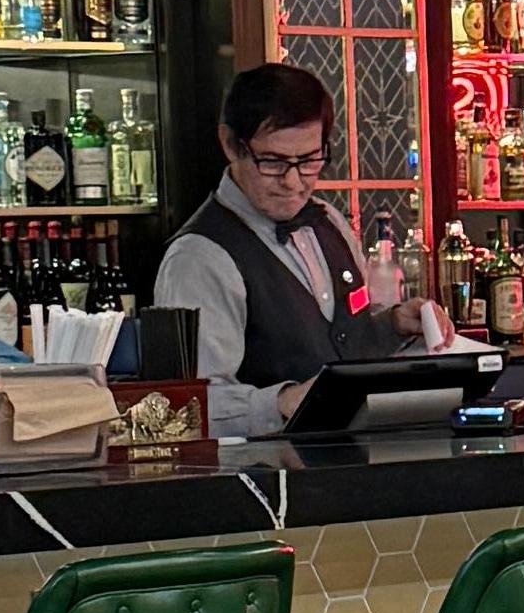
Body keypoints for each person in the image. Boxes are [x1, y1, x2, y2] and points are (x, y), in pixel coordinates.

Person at [146, 63, 440, 447]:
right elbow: (184, 410)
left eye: (309, 161)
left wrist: (394, 326)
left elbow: (343, 342)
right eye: (273, 162)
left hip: (351, 465)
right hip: (265, 476)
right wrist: (282, 401)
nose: (293, 181)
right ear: (231, 145)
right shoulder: (199, 258)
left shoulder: (329, 221)